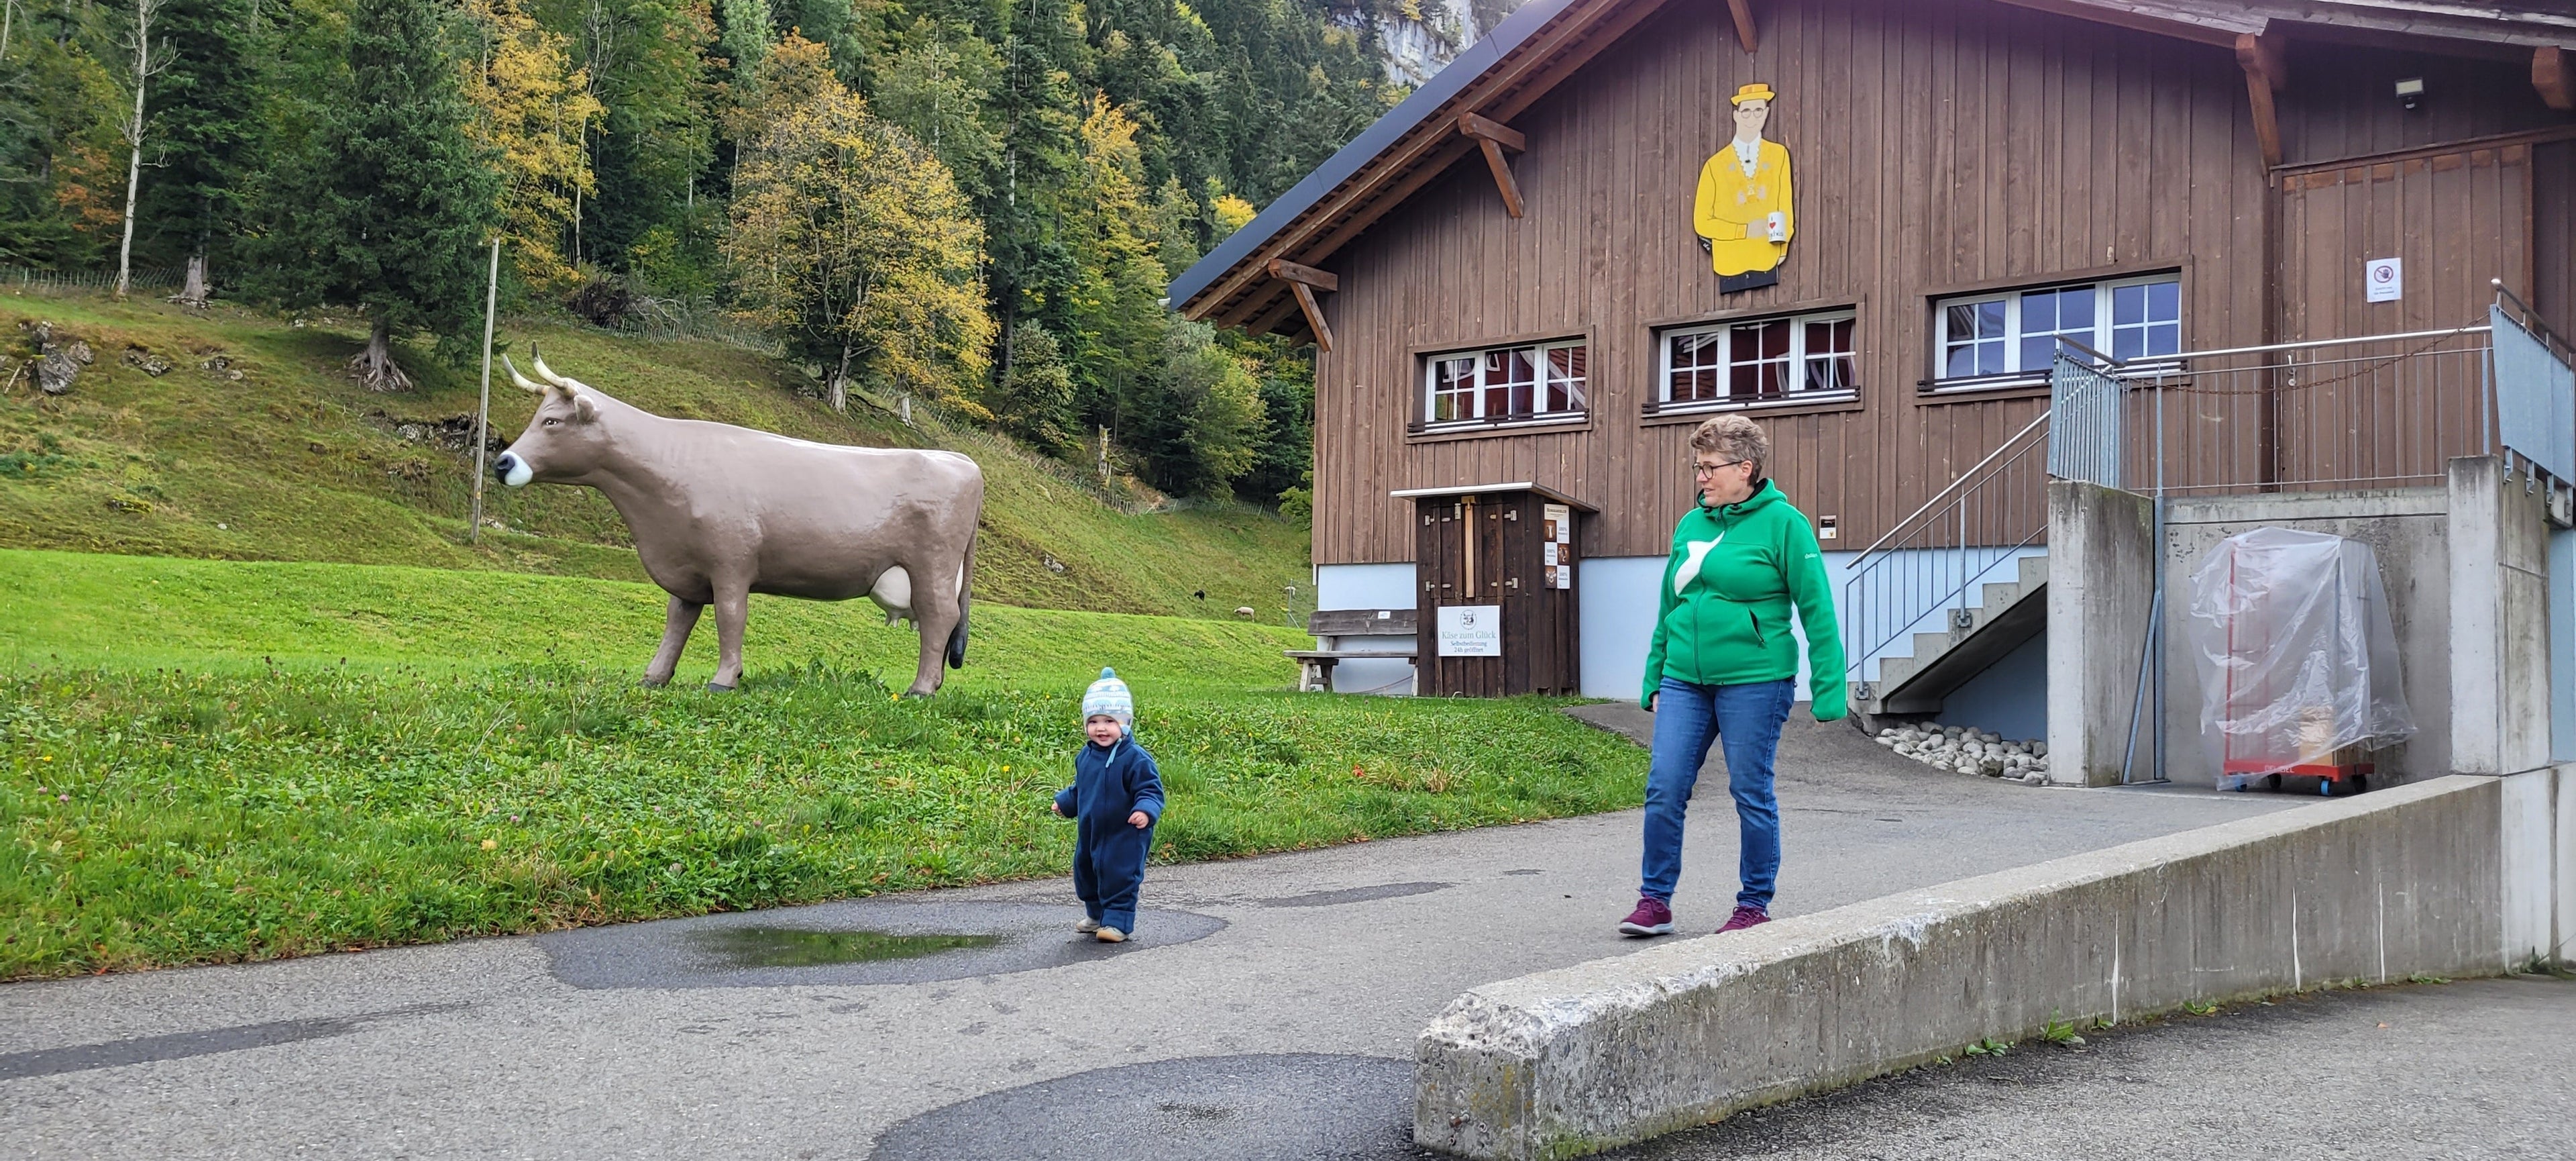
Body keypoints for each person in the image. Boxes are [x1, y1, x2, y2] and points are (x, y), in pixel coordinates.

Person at [1620, 414, 1843, 938]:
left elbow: (1818, 608)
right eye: (1697, 467)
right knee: (1665, 787)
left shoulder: (1785, 524)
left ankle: (1753, 905)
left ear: (1746, 468)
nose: (1701, 477)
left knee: (1750, 791)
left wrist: (1830, 688)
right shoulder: (1691, 525)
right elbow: (1669, 605)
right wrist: (1654, 674)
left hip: (1756, 679)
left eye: (1709, 467)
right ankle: (1655, 902)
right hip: (1684, 679)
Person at [1053, 667, 1164, 943]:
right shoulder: (1086, 756)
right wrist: (1066, 803)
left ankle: (1118, 922)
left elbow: (1150, 790)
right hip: (1091, 831)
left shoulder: (1135, 758)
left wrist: (1145, 810)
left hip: (1125, 833)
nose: (1101, 728)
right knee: (1086, 872)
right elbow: (1082, 788)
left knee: (1120, 875)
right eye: (1093, 722)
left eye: (1109, 721)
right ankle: (1096, 914)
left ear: (1125, 723)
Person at [1693, 83, 1795, 294]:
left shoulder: (1778, 155)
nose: (1752, 118)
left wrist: (1783, 246)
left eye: (1758, 111)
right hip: (1729, 264)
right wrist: (1744, 231)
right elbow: (1701, 222)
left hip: (1768, 259)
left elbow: (1785, 206)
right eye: (1746, 111)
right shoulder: (1715, 165)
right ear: (1736, 115)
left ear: (1766, 113)